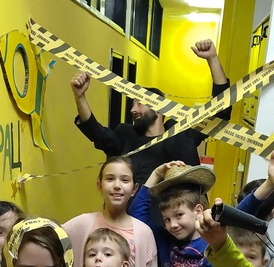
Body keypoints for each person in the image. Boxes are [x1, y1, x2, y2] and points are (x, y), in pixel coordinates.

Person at [130, 151, 274, 267]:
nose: (173, 224)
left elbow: (243, 210)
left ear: (198, 211)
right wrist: (155, 175)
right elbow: (136, 215)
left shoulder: (213, 237)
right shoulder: (164, 239)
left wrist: (270, 184)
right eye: (167, 219)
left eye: (179, 215)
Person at [70, 39, 231, 185]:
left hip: (182, 207)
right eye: (133, 105)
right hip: (138, 208)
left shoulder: (181, 132)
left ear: (159, 107)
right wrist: (80, 97)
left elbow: (221, 112)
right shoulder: (126, 136)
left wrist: (212, 58)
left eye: (140, 104)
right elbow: (97, 133)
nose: (133, 109)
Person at [62, 156, 157, 267]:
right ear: (99, 185)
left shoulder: (144, 233)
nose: (117, 185)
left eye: (125, 180)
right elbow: (49, 238)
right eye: (110, 179)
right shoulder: (82, 224)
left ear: (134, 189)